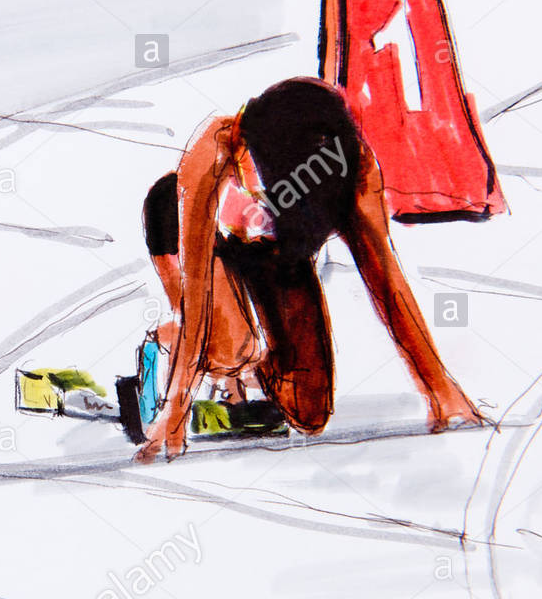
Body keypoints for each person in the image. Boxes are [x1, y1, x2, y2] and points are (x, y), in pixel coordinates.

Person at [136, 76, 484, 463]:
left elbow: (388, 284)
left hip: (272, 256)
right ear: (243, 141)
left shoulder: (354, 169)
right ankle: (172, 347)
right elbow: (197, 293)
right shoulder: (212, 151)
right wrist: (176, 413)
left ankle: (245, 368)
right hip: (199, 244)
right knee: (232, 347)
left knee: (308, 412)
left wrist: (440, 389)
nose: (260, 188)